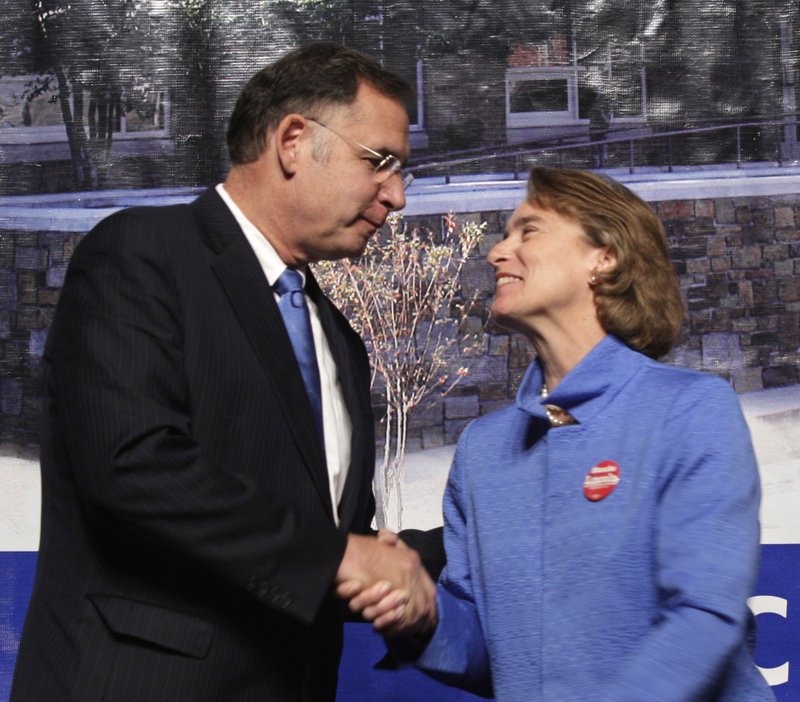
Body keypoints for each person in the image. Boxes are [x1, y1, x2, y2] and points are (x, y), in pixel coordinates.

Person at [11, 42, 438, 702]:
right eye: (379, 162)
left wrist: (446, 551)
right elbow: (134, 467)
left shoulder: (340, 343)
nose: (398, 196)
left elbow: (318, 555)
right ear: (294, 140)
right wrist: (338, 557)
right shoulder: (141, 256)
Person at [352, 167, 776, 701]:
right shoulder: (483, 451)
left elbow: (703, 618)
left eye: (528, 230)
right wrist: (423, 616)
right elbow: (494, 657)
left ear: (604, 257)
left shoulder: (690, 411)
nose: (497, 252)